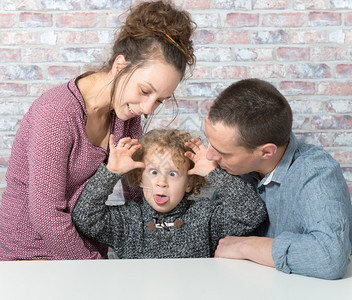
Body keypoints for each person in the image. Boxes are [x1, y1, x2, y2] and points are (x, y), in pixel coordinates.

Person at [0, 1, 196, 260]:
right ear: (120, 66)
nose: (148, 108)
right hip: (33, 253)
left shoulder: (126, 114)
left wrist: (172, 230)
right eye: (145, 91)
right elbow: (46, 215)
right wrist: (94, 266)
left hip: (86, 250)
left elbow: (137, 190)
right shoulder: (56, 114)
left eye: (160, 99)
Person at [186, 78, 352, 279]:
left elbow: (330, 257)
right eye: (209, 142)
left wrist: (246, 246)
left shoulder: (316, 172)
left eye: (224, 152)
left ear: (266, 152)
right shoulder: (231, 169)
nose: (210, 156)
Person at [71, 129, 267, 258]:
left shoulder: (205, 216)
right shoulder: (127, 220)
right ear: (140, 178)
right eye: (154, 172)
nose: (162, 183)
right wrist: (110, 173)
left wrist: (213, 173)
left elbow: (251, 213)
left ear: (189, 183)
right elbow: (84, 217)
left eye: (173, 174)